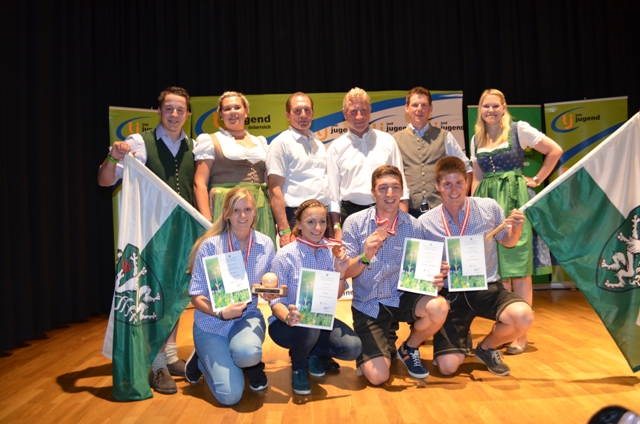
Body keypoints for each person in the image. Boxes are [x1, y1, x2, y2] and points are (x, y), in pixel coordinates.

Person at [98, 86, 194, 395]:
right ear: (159, 111)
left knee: (176, 295)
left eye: (180, 109)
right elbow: (105, 180)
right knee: (155, 297)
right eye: (169, 108)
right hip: (151, 234)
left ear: (188, 114)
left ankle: (170, 354)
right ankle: (157, 365)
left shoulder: (194, 147)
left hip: (183, 235)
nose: (174, 114)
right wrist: (112, 157)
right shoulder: (139, 143)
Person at [420, 156, 534, 376]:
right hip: (451, 293)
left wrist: (517, 228)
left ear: (467, 182)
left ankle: (486, 348)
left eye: (459, 183)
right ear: (437, 186)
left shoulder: (488, 208)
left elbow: (508, 241)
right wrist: (436, 270)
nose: (454, 190)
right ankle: (461, 337)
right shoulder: (426, 222)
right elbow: (425, 267)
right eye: (447, 184)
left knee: (523, 316)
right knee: (447, 367)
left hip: (487, 286)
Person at [470, 88, 562, 354]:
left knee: (519, 267)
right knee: (498, 268)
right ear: (480, 110)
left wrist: (537, 179)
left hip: (514, 199)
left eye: (495, 106)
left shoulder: (518, 129)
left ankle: (521, 335)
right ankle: (506, 327)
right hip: (488, 202)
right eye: (485, 106)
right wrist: (474, 206)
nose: (490, 111)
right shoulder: (477, 138)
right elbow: (477, 176)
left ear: (504, 107)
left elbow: (554, 150)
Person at [341, 165, 449, 386]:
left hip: (400, 298)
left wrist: (435, 278)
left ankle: (408, 348)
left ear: (402, 191)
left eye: (395, 188)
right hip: (368, 304)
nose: (389, 194)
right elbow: (346, 272)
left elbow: (421, 273)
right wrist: (365, 256)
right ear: (373, 192)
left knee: (439, 306)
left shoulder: (414, 226)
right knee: (379, 377)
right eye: (383, 188)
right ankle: (373, 347)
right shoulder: (354, 222)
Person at [184, 187, 276, 406]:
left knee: (247, 353)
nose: (242, 215)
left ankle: (229, 358)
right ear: (226, 213)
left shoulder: (265, 244)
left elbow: (268, 284)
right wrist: (221, 312)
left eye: (247, 209)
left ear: (255, 212)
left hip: (246, 317)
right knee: (230, 396)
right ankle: (202, 358)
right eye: (236, 210)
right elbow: (196, 296)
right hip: (211, 322)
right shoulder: (210, 246)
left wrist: (269, 293)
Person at [268, 199, 362, 395]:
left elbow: (335, 296)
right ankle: (299, 368)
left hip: (321, 320)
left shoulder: (332, 252)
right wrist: (289, 317)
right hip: (286, 323)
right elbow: (276, 303)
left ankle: (311, 353)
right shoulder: (285, 256)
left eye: (322, 221)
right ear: (299, 224)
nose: (318, 228)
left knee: (352, 348)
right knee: (307, 323)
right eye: (310, 222)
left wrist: (341, 274)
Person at [193, 91, 276, 245]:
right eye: (227, 109)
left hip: (259, 208)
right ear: (220, 114)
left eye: (237, 107)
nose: (233, 112)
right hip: (226, 206)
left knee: (259, 252)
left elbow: (269, 183)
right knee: (226, 253)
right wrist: (206, 220)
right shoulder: (210, 140)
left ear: (246, 111)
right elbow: (200, 183)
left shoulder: (260, 142)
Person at [327, 87, 410, 239]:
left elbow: (402, 185)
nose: (359, 116)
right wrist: (336, 227)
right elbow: (333, 195)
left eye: (363, 110)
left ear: (370, 110)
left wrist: (402, 221)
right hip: (349, 215)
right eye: (353, 111)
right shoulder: (336, 148)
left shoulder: (387, 141)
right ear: (345, 113)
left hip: (386, 211)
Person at [393, 86, 472, 218]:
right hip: (409, 211)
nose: (419, 109)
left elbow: (467, 169)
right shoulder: (395, 140)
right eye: (415, 105)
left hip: (440, 209)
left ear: (430, 108)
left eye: (424, 105)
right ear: (407, 108)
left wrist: (461, 200)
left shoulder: (444, 136)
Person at [266, 93, 330, 247]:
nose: (303, 115)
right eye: (297, 111)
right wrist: (284, 230)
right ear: (288, 115)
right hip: (296, 217)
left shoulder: (318, 144)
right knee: (298, 262)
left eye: (307, 110)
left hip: (322, 215)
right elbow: (274, 189)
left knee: (322, 261)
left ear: (312, 114)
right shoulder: (281, 143)